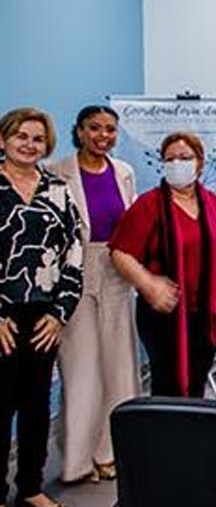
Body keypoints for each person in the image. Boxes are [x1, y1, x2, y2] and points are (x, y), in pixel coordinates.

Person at [47, 105, 139, 486]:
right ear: (79, 131)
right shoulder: (55, 172)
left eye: (110, 129)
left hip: (116, 268)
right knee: (82, 368)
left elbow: (132, 225)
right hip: (73, 272)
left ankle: (110, 452)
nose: (103, 135)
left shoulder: (124, 172)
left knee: (119, 365)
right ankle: (78, 460)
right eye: (95, 128)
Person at [0, 108, 82, 507]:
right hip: (2, 316)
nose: (29, 145)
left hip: (44, 314)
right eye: (21, 136)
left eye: (37, 139)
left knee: (36, 406)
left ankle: (30, 488)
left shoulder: (57, 190)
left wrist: (59, 313)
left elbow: (74, 253)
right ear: (3, 140)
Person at [111, 131, 216, 398]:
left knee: (196, 382)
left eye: (185, 157)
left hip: (204, 314)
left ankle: (191, 438)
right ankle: (165, 439)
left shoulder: (211, 202)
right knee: (168, 385)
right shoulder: (149, 204)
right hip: (163, 313)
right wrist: (148, 284)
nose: (178, 164)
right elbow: (120, 252)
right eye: (170, 159)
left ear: (199, 162)